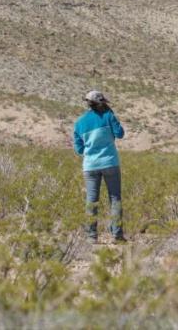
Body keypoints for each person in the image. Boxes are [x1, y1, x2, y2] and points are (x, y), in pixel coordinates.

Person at [72, 90, 126, 243]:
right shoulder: (108, 115)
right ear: (102, 102)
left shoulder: (79, 122)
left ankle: (91, 236)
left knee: (91, 200)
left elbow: (79, 149)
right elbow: (120, 134)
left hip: (90, 165)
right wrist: (111, 115)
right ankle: (117, 235)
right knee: (115, 198)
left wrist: (91, 150)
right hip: (110, 162)